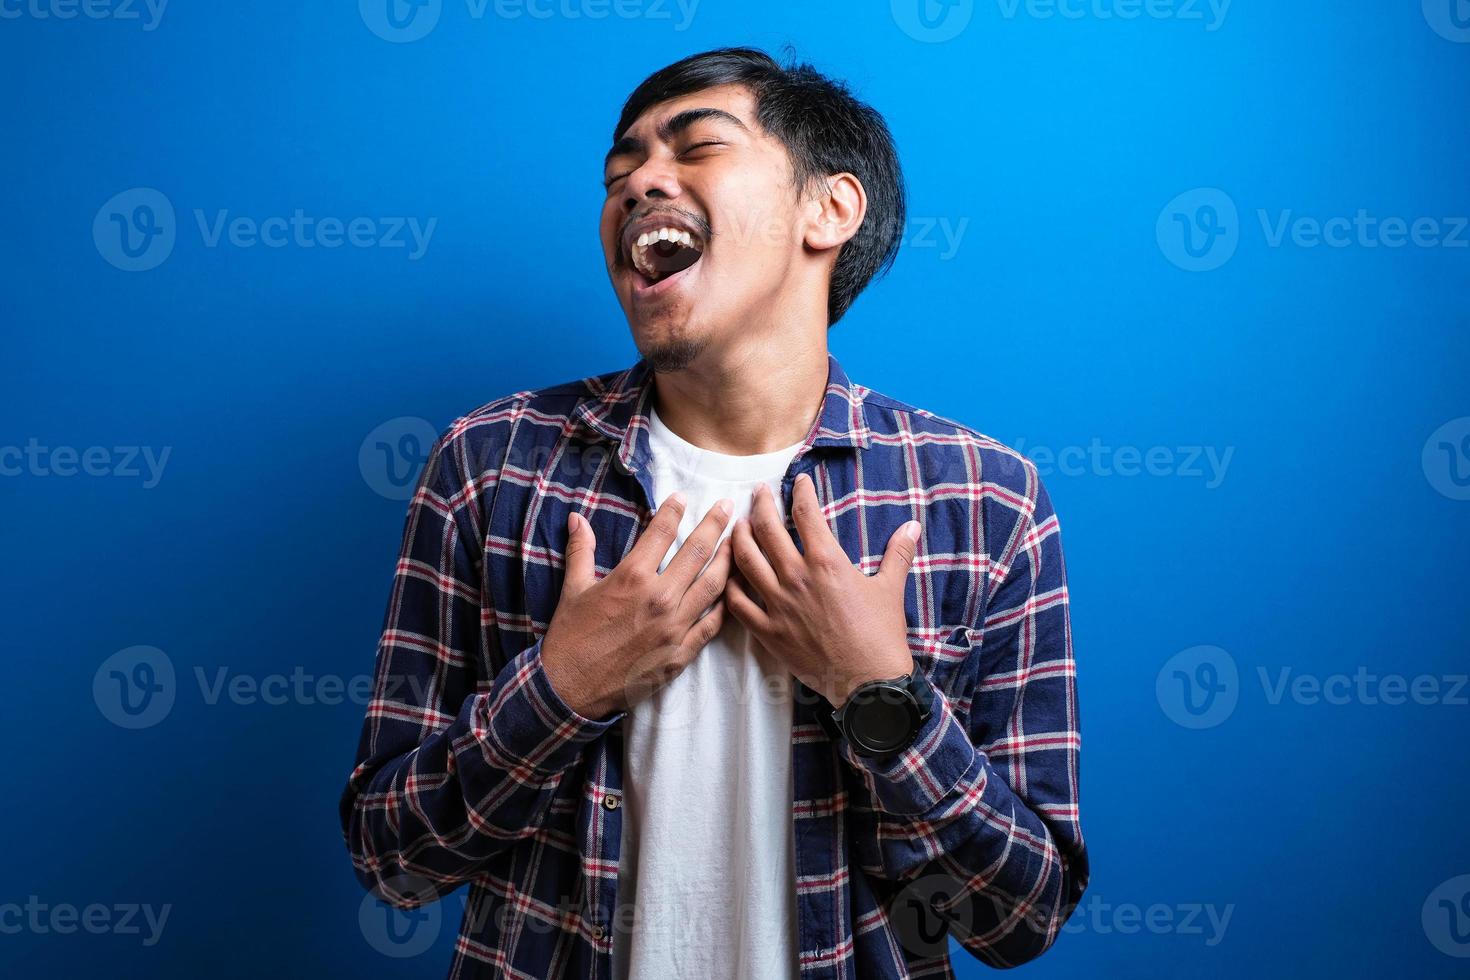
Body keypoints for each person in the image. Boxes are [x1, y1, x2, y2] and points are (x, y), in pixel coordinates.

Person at [340, 46, 1087, 979]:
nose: (641, 182)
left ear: (830, 209)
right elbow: (392, 861)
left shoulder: (984, 501)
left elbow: (1017, 919)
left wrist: (880, 697)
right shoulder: (489, 466)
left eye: (697, 147)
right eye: (620, 173)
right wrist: (562, 689)